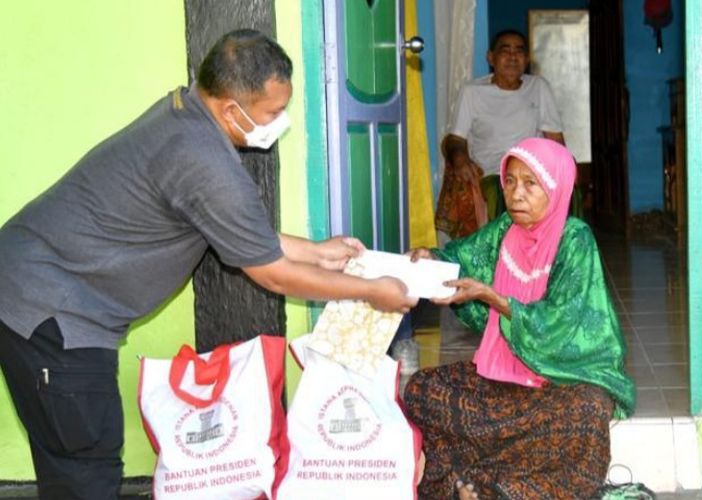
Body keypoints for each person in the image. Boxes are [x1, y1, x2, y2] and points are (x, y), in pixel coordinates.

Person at [0, 29, 416, 499]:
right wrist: (370, 289)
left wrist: (318, 251)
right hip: (52, 312)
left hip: (30, 285)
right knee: (86, 463)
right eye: (274, 113)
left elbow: (237, 230)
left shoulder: (183, 113)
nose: (280, 122)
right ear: (231, 108)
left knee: (68, 456)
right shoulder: (202, 159)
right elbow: (271, 271)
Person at [406, 137, 634, 499]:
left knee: (589, 413)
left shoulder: (575, 240)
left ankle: (488, 484)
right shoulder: (503, 231)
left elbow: (563, 321)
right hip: (501, 376)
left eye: (531, 183)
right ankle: (482, 482)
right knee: (421, 389)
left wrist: (493, 297)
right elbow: (461, 258)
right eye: (510, 181)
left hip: (560, 381)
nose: (516, 194)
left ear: (557, 187)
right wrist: (430, 258)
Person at [435, 29, 565, 240]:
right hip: (492, 173)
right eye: (506, 50)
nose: (513, 57)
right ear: (491, 57)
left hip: (533, 172)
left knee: (569, 192)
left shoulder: (539, 87)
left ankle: (554, 258)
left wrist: (563, 172)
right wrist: (459, 159)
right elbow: (456, 138)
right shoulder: (473, 92)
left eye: (519, 51)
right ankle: (501, 259)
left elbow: (555, 140)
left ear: (527, 59)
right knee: (501, 193)